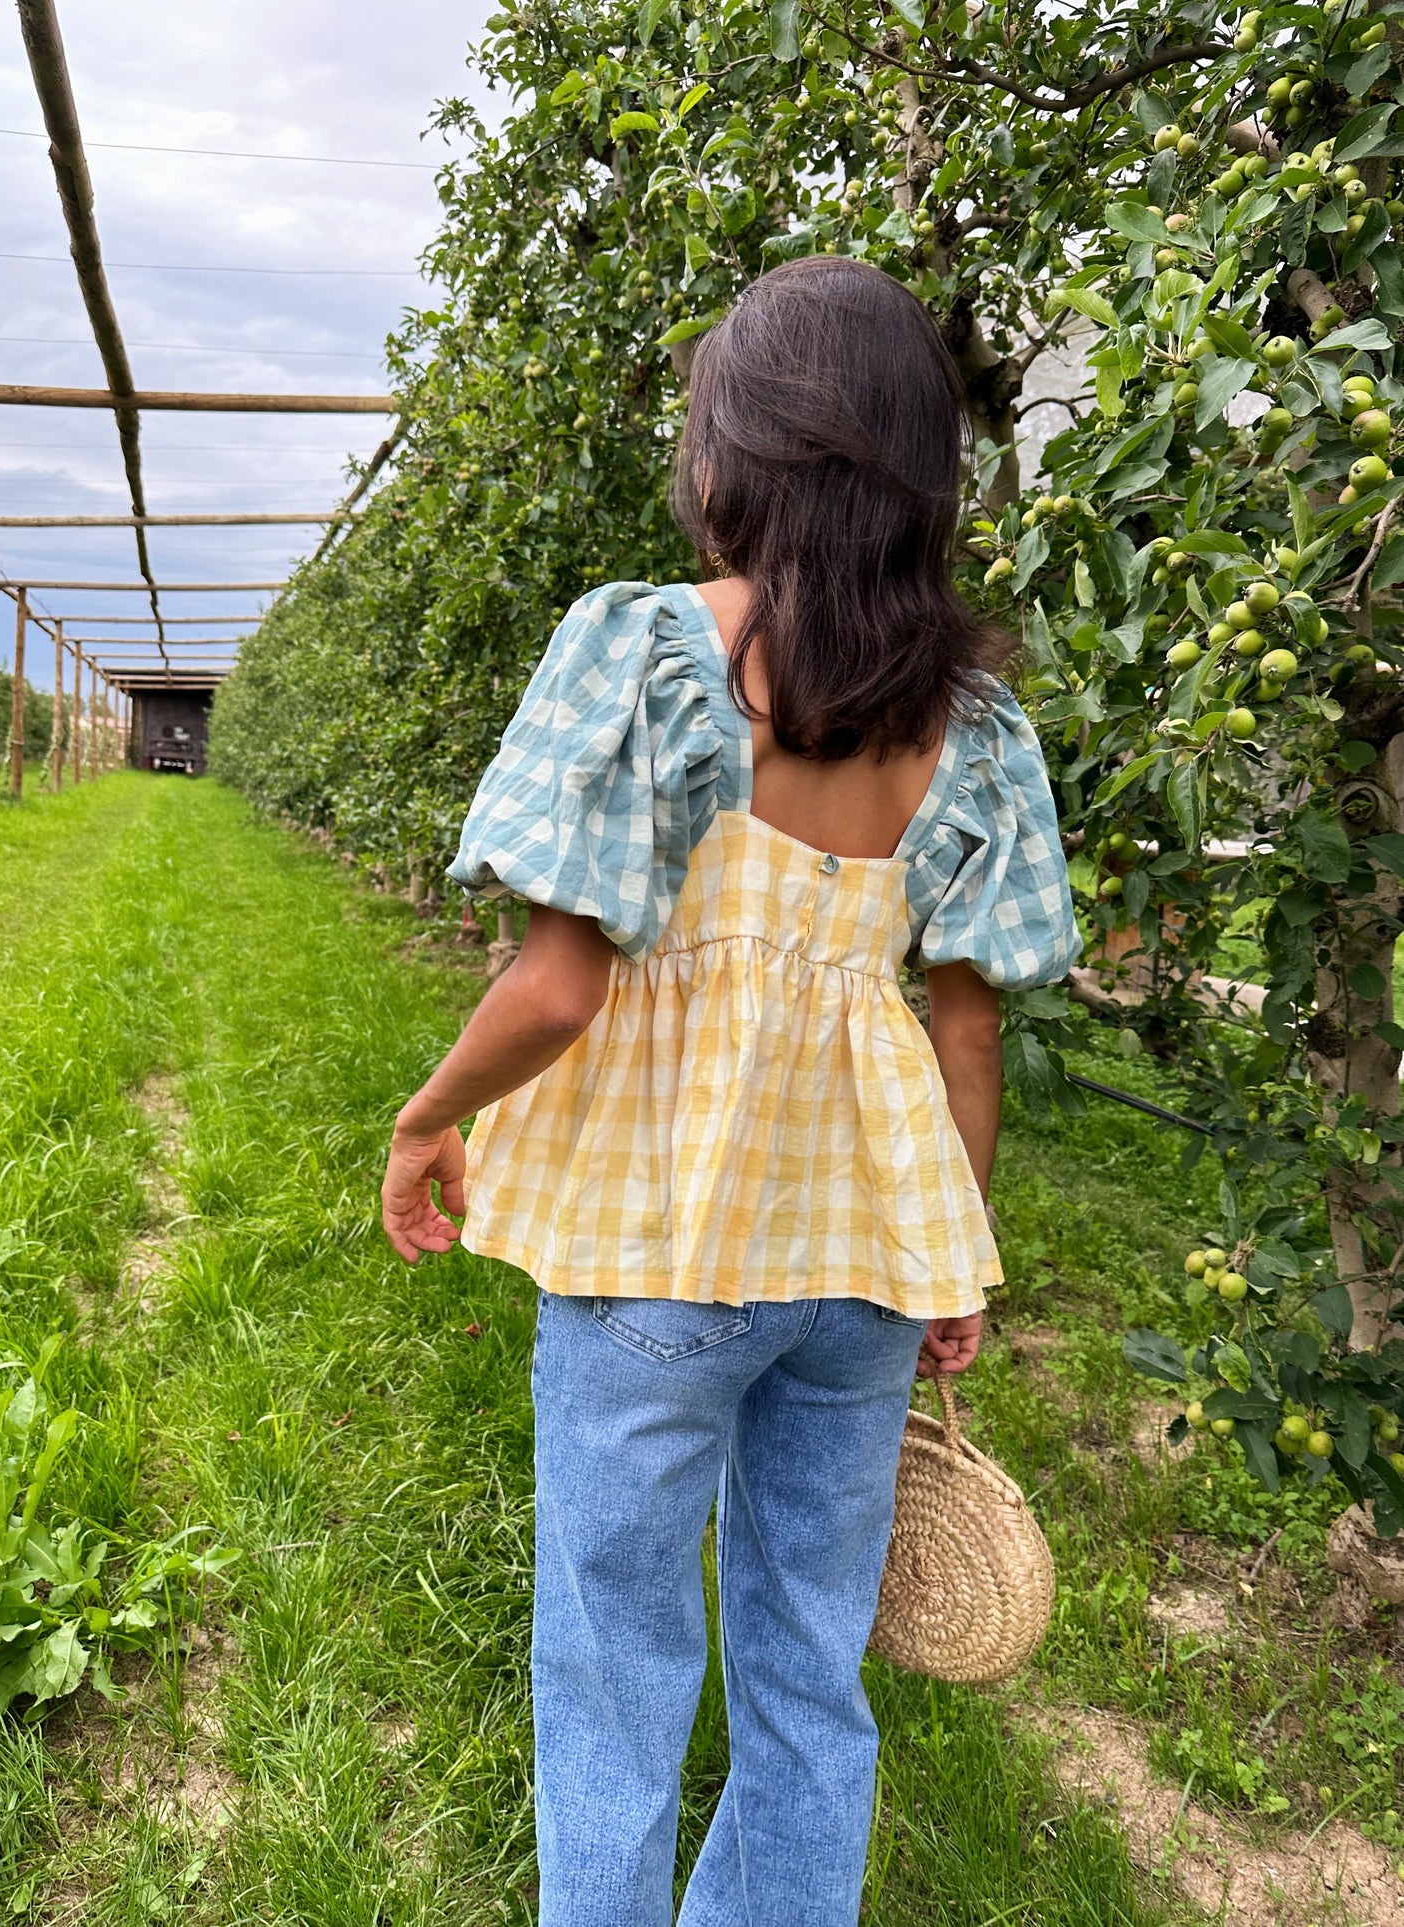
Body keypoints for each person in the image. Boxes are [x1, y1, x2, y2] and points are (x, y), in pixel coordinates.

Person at [381, 256, 1080, 1927]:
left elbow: (559, 984)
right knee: (805, 1668)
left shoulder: (647, 651)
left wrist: (424, 1122)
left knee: (614, 1668)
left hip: (655, 1255)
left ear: (730, 451)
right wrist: (950, 1256)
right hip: (853, 1262)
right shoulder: (973, 729)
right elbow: (966, 1034)